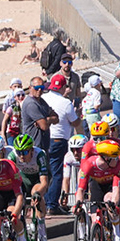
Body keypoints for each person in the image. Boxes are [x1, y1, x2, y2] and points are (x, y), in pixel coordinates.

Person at [43, 73, 79, 216]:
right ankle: (51, 205)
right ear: (64, 87)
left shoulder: (44, 98)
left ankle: (44, 203)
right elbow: (75, 122)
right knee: (57, 173)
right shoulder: (65, 103)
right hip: (59, 140)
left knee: (45, 172)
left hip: (45, 139)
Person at [21, 76, 59, 152]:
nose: (39, 90)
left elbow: (57, 118)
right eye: (37, 87)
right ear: (30, 88)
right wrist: (48, 120)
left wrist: (48, 119)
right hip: (33, 147)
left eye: (42, 87)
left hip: (44, 145)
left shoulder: (41, 101)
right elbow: (44, 126)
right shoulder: (31, 104)